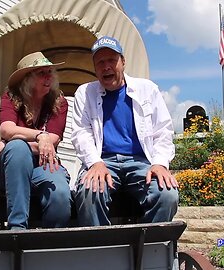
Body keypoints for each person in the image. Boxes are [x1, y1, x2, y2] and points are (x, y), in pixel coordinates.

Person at [71, 36, 179, 226]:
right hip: (103, 161)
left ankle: (148, 249)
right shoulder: (85, 93)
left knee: (167, 194)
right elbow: (81, 133)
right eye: (100, 62)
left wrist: (160, 163)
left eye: (112, 60)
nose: (106, 67)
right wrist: (95, 163)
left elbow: (163, 131)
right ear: (95, 68)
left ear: (123, 62)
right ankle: (102, 250)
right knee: (89, 192)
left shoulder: (148, 89)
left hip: (140, 161)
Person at [0, 52, 71, 230]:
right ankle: (18, 230)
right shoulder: (10, 98)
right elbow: (6, 129)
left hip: (42, 165)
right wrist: (40, 136)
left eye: (50, 72)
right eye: (41, 73)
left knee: (60, 193)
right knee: (18, 149)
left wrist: (5, 143)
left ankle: (52, 242)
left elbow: (52, 142)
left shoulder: (59, 102)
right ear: (27, 79)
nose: (48, 77)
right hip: (8, 168)